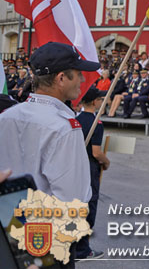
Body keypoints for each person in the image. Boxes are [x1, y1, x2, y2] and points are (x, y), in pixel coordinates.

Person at [0, 42, 98, 203]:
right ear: (61, 78)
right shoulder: (64, 128)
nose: (82, 79)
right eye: (78, 73)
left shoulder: (6, 116)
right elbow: (73, 200)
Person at [75, 87, 110, 261]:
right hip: (89, 165)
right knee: (89, 206)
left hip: (76, 164)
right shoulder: (97, 123)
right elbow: (96, 152)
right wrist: (106, 161)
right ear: (96, 102)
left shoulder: (76, 119)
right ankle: (82, 249)